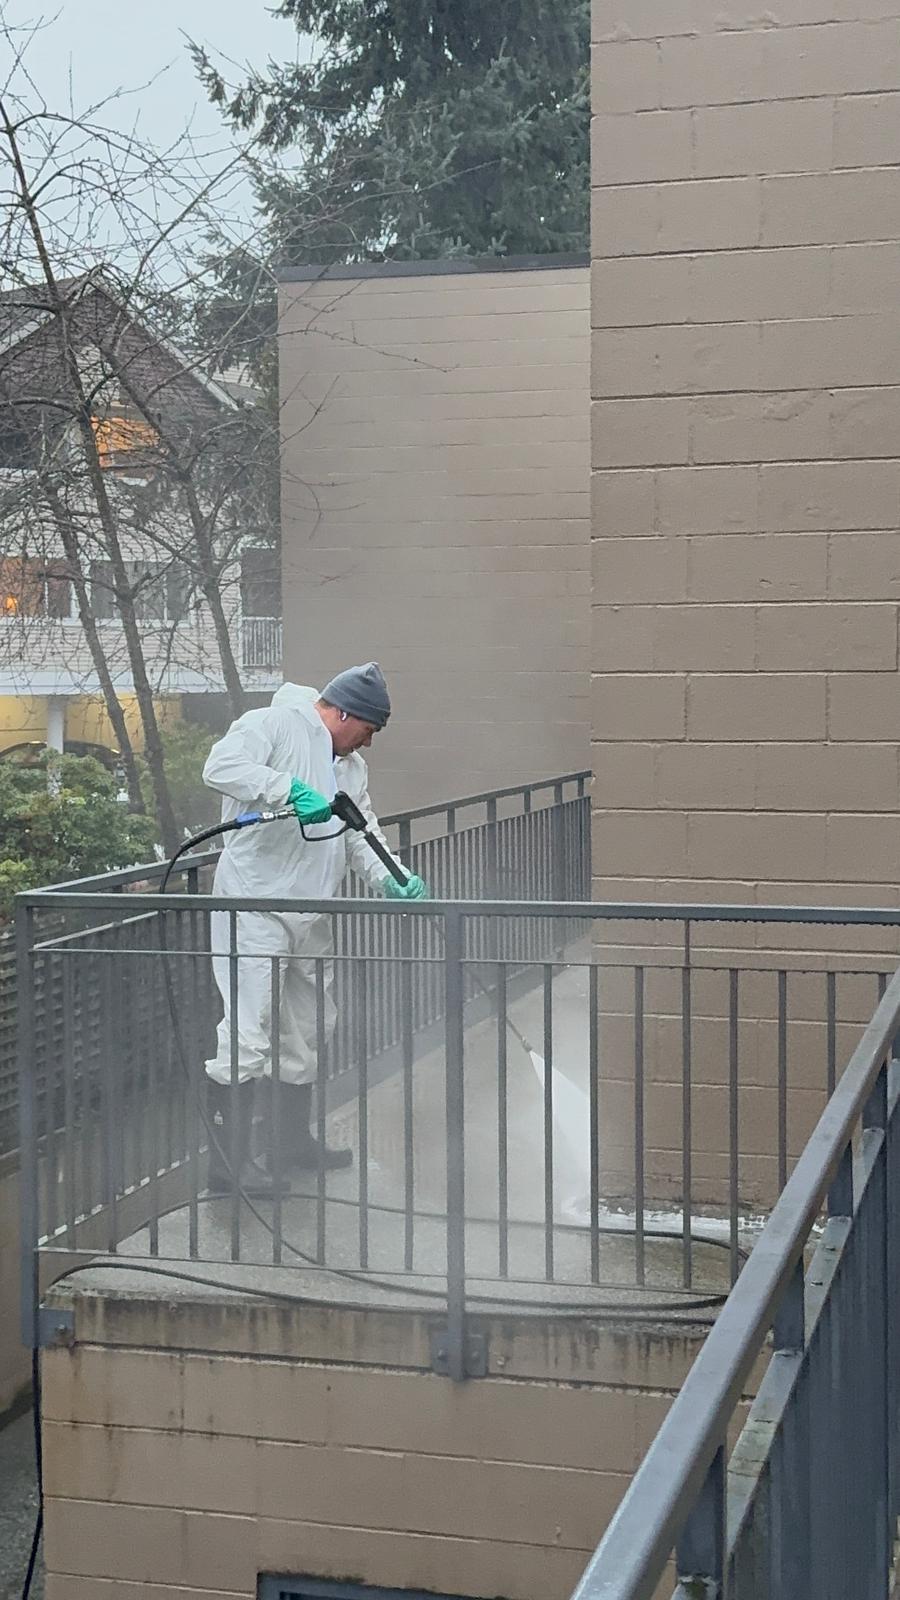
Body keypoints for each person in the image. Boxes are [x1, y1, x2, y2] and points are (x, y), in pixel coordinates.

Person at [202, 663, 427, 1195]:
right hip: (254, 908)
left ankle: (289, 1143)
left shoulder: (349, 768)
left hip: (311, 911)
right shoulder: (273, 725)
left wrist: (391, 876)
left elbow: (359, 831)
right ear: (344, 712)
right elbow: (220, 765)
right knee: (248, 1030)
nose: (368, 743)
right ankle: (227, 1166)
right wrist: (285, 789)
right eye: (368, 730)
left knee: (306, 1029)